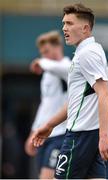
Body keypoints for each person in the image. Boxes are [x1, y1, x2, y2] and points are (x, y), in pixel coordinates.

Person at [31, 3, 108, 179]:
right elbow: (76, 102)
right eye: (63, 23)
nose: (64, 28)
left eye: (69, 23)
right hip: (89, 136)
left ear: (85, 28)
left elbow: (105, 93)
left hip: (79, 136)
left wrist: (104, 135)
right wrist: (49, 125)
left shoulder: (87, 54)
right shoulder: (91, 51)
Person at [25, 31, 71, 179]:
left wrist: (40, 62)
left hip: (60, 134)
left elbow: (57, 67)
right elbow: (45, 105)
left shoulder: (68, 67)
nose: (44, 55)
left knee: (48, 177)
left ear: (58, 47)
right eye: (41, 53)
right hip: (44, 135)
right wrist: (33, 132)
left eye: (46, 52)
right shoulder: (47, 74)